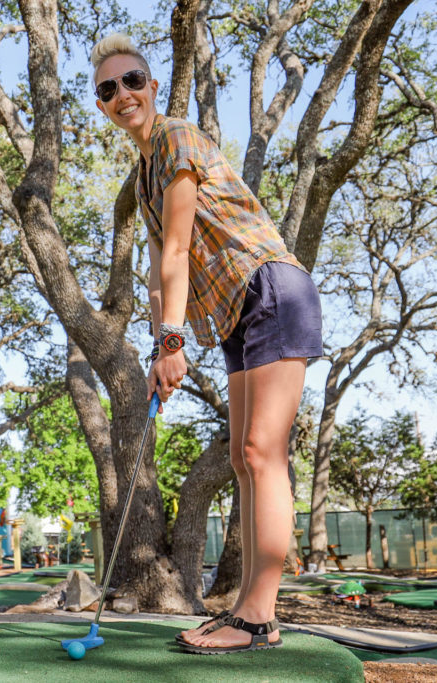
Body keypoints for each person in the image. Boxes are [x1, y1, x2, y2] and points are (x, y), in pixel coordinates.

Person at [90, 34, 323, 655]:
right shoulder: (144, 174)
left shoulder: (174, 137)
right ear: (102, 105)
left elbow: (175, 251)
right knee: (247, 461)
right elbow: (160, 265)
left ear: (152, 85)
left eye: (132, 80)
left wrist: (171, 340)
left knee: (260, 453)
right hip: (237, 310)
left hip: (270, 287)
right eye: (107, 89)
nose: (123, 95)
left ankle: (256, 617)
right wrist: (158, 344)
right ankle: (251, 613)